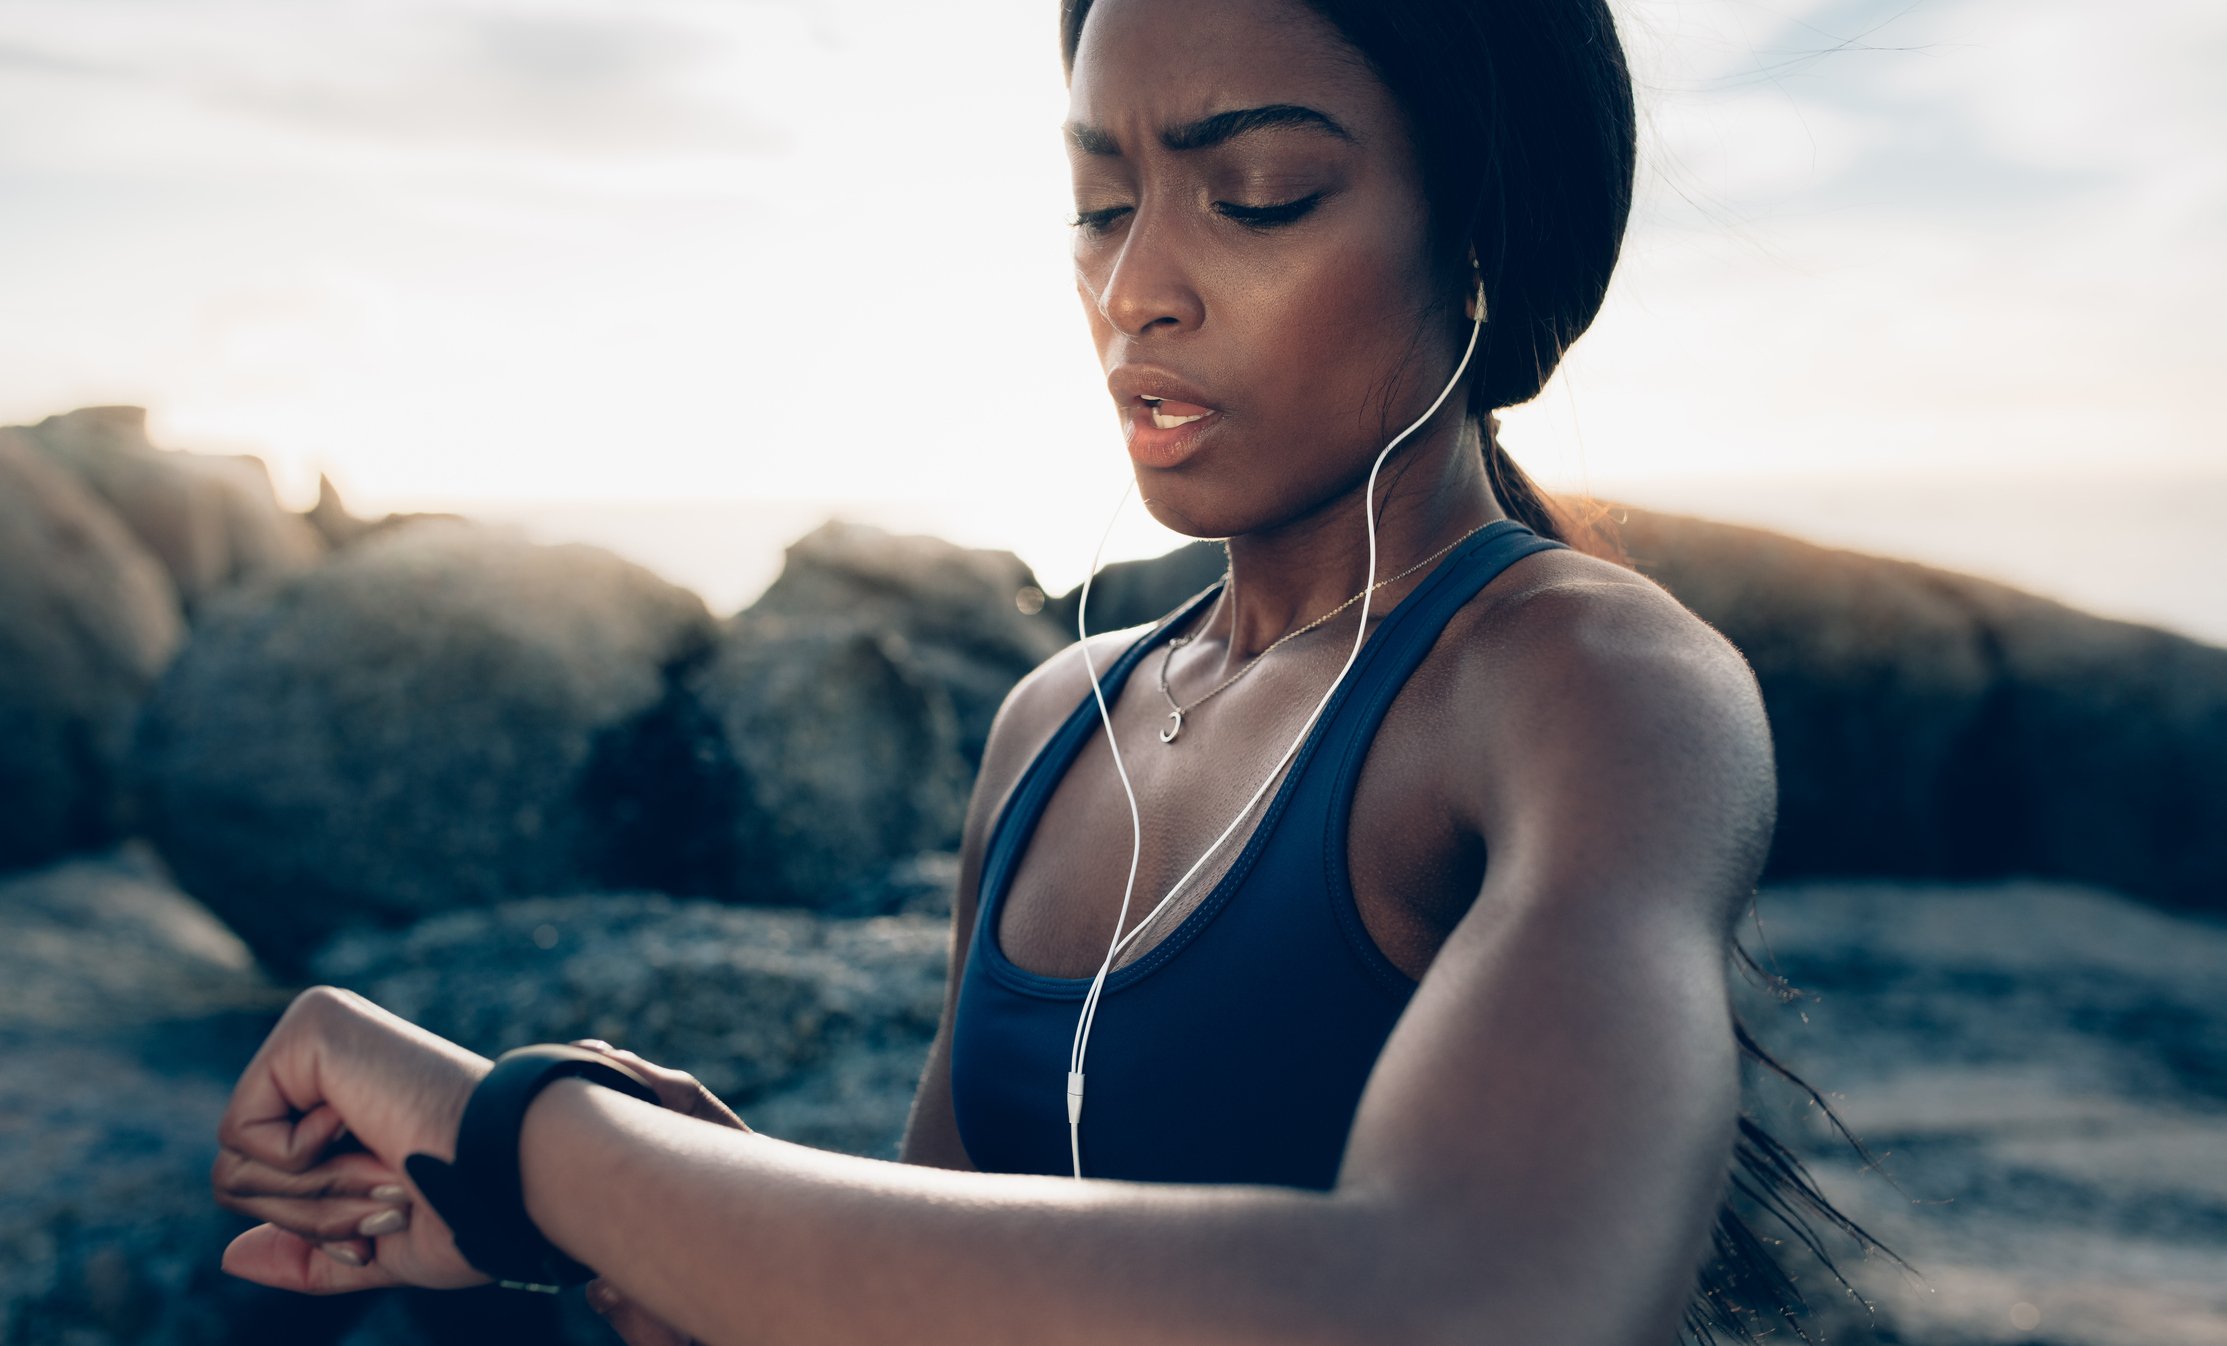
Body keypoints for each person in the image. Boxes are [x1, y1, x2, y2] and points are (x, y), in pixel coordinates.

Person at [212, 0, 1897, 1341]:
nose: (1135, 288)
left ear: (1479, 238)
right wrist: (601, 1207)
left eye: (1257, 198)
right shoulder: (1051, 722)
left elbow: (1484, 1304)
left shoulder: (1588, 685)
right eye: (1102, 203)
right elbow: (954, 1280)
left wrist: (540, 1143)